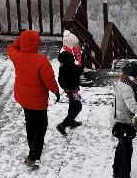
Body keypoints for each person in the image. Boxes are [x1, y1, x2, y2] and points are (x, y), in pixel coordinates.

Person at [7, 29, 60, 169]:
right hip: (38, 102)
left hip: (23, 98)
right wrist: (56, 91)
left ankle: (33, 148)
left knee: (30, 123)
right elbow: (49, 80)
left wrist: (20, 40)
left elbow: (11, 48)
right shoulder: (41, 60)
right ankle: (33, 155)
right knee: (41, 126)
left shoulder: (17, 56)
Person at [111, 61, 137, 178]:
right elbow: (133, 108)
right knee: (127, 150)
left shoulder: (124, 82)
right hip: (123, 121)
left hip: (119, 119)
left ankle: (116, 171)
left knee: (121, 146)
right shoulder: (127, 87)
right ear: (133, 75)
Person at [56, 50, 84, 135]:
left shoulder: (63, 66)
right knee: (78, 107)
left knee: (72, 105)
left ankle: (71, 122)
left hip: (69, 90)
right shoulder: (70, 66)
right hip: (73, 90)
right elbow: (80, 71)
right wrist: (82, 58)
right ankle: (63, 125)